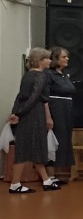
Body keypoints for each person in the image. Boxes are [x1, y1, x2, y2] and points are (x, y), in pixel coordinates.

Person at [7, 47, 60, 193]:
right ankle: (15, 184)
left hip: (26, 114)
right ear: (40, 60)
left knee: (34, 147)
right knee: (28, 148)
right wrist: (20, 113)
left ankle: (46, 180)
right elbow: (34, 98)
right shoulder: (41, 76)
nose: (50, 61)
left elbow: (20, 96)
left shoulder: (27, 75)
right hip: (34, 114)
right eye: (47, 58)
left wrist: (15, 112)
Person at [45, 46, 75, 185]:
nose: (67, 59)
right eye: (64, 56)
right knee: (54, 140)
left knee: (63, 140)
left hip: (66, 110)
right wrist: (48, 116)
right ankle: (50, 176)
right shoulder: (48, 74)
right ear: (55, 58)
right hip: (55, 109)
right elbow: (44, 96)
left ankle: (55, 174)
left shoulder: (63, 74)